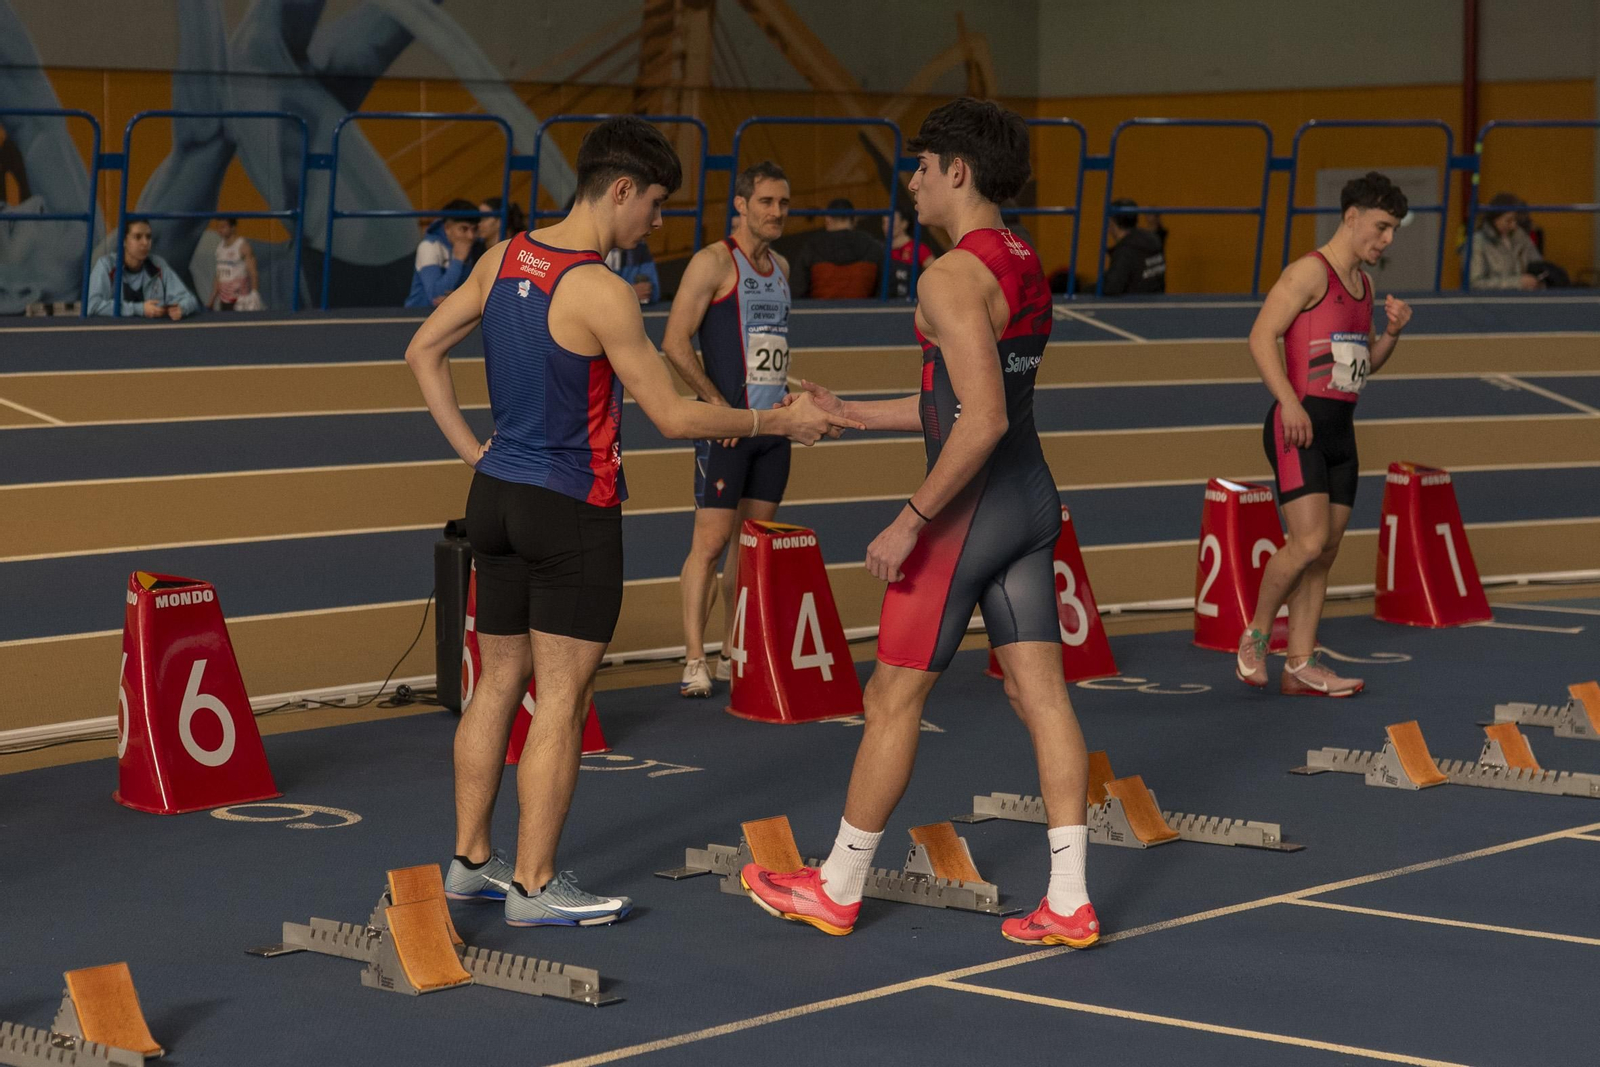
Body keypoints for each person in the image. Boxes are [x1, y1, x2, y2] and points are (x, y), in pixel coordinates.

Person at [404, 117, 853, 928]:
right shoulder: (600, 291)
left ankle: (471, 862)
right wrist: (776, 424)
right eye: (653, 204)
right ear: (619, 190)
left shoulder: (502, 255)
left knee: (497, 682)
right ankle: (535, 885)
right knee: (563, 699)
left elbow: (421, 351)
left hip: (496, 497)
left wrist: (476, 449)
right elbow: (676, 416)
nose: (656, 222)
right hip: (571, 508)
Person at [740, 98, 1100, 948]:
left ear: (958, 173)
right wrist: (853, 413)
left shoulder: (948, 276)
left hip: (967, 514)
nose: (911, 182)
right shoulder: (1018, 259)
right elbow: (967, 398)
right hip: (1028, 503)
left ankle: (835, 886)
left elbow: (976, 422)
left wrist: (911, 518)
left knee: (891, 696)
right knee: (1041, 697)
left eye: (921, 167)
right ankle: (1071, 898)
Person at [1236, 172, 1413, 697]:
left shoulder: (1364, 285)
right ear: (1352, 216)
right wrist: (1289, 401)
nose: (1387, 240)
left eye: (1394, 231)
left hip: (1341, 433)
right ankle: (1256, 634)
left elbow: (1363, 366)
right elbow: (1260, 335)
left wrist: (1392, 335)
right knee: (1307, 541)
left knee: (1327, 551)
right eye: (1382, 227)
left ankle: (1300, 663)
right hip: (1299, 426)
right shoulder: (1310, 274)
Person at [662, 160, 793, 697]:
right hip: (726, 431)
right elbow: (674, 342)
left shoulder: (782, 266)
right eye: (766, 202)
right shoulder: (713, 263)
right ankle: (695, 659)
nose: (777, 212)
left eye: (784, 203)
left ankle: (734, 648)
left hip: (774, 432)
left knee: (752, 547)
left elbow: (771, 346)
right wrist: (718, 408)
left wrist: (787, 391)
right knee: (711, 544)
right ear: (740, 205)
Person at [86, 220, 200, 319]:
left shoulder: (158, 265)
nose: (145, 243)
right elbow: (92, 305)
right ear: (124, 241)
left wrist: (181, 308)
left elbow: (189, 300)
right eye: (138, 237)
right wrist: (140, 309)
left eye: (148, 237)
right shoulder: (106, 265)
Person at [789, 197, 885, 299]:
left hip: (820, 313)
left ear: (828, 219)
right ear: (853, 220)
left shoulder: (812, 247)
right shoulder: (874, 247)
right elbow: (885, 288)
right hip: (865, 313)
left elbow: (797, 291)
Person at [405, 199, 482, 308]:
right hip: (417, 315)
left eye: (474, 229)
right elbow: (436, 296)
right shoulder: (429, 246)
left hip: (449, 314)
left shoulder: (469, 246)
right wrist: (458, 260)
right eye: (464, 229)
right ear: (447, 228)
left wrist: (456, 297)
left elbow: (466, 292)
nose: (470, 236)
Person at [1470, 192, 1543, 291]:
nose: (1513, 225)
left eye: (1515, 220)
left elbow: (1537, 263)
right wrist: (1517, 283)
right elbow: (1475, 284)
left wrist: (1536, 280)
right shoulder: (1477, 242)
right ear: (1495, 219)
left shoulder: (1520, 236)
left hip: (1524, 299)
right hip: (1491, 302)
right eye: (1508, 221)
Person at [1100, 198, 1166, 296]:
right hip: (1157, 301)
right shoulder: (1153, 238)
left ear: (1112, 222)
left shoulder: (1125, 251)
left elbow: (1112, 289)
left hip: (1134, 306)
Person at [210, 217, 262, 311]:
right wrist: (212, 300)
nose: (220, 230)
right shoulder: (219, 247)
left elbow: (253, 272)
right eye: (218, 227)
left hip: (240, 300)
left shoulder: (242, 246)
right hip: (224, 300)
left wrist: (254, 293)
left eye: (223, 227)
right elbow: (219, 275)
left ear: (233, 228)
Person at [885, 205, 935, 298]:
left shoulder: (918, 248)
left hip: (910, 303)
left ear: (904, 223)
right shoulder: (881, 249)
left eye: (892, 221)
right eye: (884, 222)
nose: (887, 226)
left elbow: (936, 274)